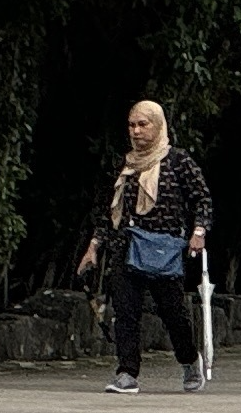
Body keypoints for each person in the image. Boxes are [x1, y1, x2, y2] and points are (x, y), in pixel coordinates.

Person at [79, 99, 213, 394]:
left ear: (158, 125)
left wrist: (199, 231)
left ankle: (190, 360)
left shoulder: (178, 161)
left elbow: (202, 199)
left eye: (143, 124)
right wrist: (94, 245)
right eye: (131, 125)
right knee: (125, 312)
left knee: (173, 313)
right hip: (126, 246)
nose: (136, 131)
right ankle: (127, 372)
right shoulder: (123, 164)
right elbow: (108, 211)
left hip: (164, 250)